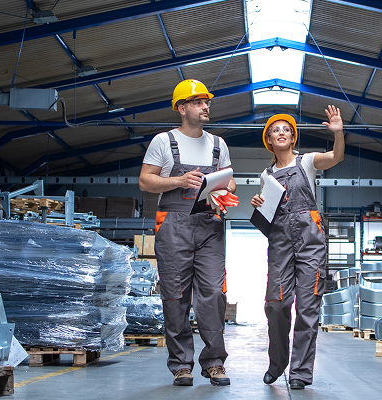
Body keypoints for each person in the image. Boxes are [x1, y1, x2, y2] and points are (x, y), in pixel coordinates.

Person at [138, 79, 237, 387]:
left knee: (213, 295)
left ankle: (214, 362)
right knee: (175, 296)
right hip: (173, 226)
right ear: (182, 108)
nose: (205, 106)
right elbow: (145, 181)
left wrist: (223, 192)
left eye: (206, 102)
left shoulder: (218, 144)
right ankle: (182, 364)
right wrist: (179, 182)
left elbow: (231, 183)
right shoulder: (163, 142)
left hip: (209, 226)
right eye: (197, 102)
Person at [250, 106, 346, 390]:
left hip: (310, 242)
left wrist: (338, 133)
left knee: (307, 309)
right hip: (280, 242)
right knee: (276, 305)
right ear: (269, 139)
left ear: (292, 137)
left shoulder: (307, 162)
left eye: (286, 129)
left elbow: (336, 157)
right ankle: (277, 363)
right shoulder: (265, 175)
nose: (281, 133)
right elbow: (268, 213)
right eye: (275, 130)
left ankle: (301, 373)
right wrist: (258, 203)